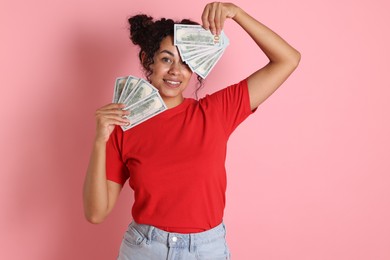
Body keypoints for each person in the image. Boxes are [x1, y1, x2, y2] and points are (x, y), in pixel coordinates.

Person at [83, 2, 300, 259]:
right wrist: (100, 140)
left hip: (206, 250)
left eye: (187, 62)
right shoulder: (124, 124)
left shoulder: (216, 111)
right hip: (144, 249)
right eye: (166, 59)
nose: (176, 71)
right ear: (146, 60)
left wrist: (238, 14)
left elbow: (288, 59)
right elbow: (96, 213)